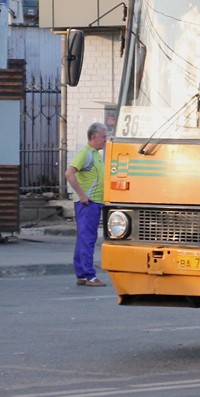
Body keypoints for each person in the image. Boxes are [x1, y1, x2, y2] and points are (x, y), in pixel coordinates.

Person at [66, 122, 108, 287]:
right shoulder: (85, 153)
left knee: (84, 239)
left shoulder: (95, 153)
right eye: (103, 137)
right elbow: (69, 173)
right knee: (88, 239)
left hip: (94, 202)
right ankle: (90, 276)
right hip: (88, 203)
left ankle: (83, 275)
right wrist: (82, 195)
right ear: (94, 137)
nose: (106, 140)